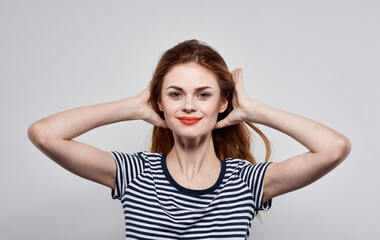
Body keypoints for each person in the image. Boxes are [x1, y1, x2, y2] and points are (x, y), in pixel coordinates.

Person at [28, 39, 351, 239]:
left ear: (223, 103)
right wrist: (133, 107)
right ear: (159, 103)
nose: (188, 106)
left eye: (204, 94)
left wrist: (252, 109)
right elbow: (44, 134)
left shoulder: (247, 181)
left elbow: (334, 148)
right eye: (175, 94)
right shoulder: (134, 173)